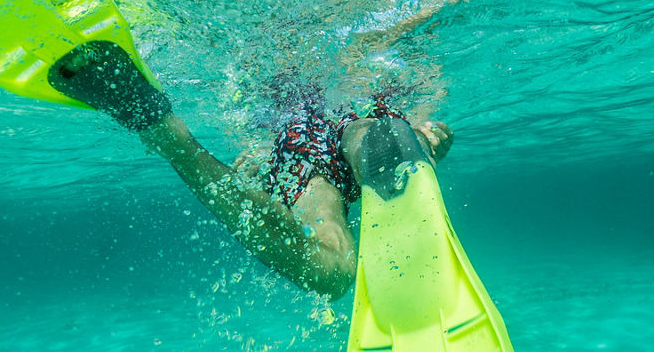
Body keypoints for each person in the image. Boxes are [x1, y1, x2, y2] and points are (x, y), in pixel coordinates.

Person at [46, 41, 453, 299]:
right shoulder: (404, 78)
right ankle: (393, 154)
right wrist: (430, 138)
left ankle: (174, 143)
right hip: (344, 132)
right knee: (366, 131)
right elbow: (431, 123)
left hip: (301, 152)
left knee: (337, 272)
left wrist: (258, 170)